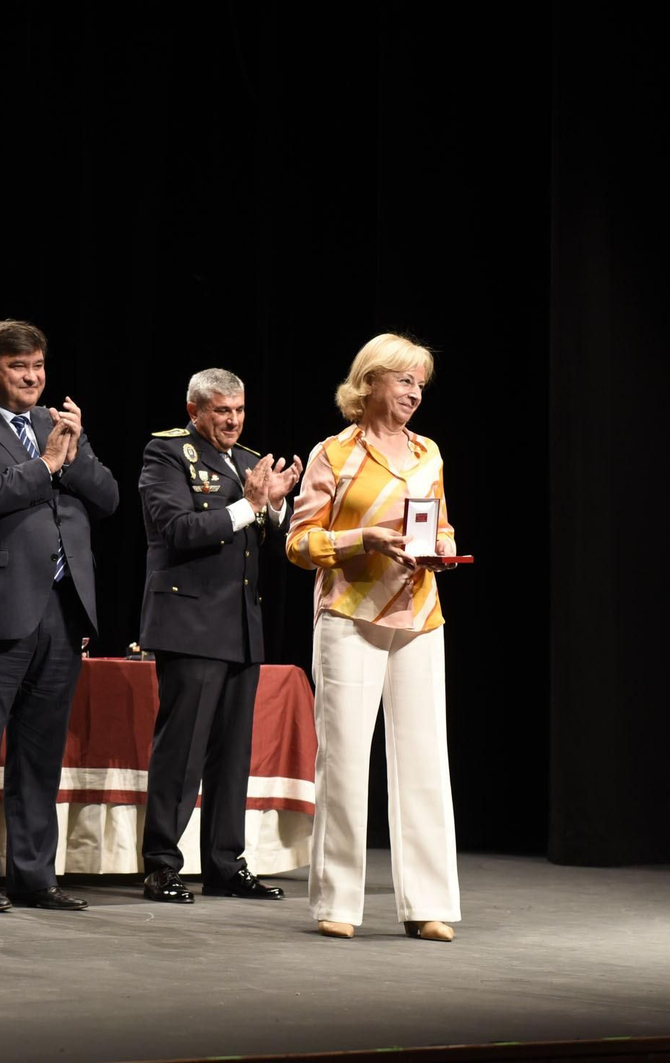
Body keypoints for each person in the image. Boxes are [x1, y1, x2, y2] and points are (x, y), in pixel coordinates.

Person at [0, 320, 119, 913]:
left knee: (40, 754)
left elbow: (107, 498)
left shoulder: (54, 427)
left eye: (38, 366)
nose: (33, 377)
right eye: (18, 367)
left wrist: (72, 450)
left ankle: (35, 876)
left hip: (60, 609)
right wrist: (48, 466)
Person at [284, 333, 460, 942]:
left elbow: (438, 521)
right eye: (404, 380)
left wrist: (441, 546)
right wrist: (362, 540)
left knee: (423, 761)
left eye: (419, 383)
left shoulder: (428, 452)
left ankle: (428, 904)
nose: (414, 393)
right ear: (370, 383)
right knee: (344, 760)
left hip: (418, 616)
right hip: (350, 615)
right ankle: (338, 902)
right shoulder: (334, 453)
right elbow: (300, 542)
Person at [137, 369, 301, 904]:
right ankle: (162, 865)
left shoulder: (251, 461)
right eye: (221, 411)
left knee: (233, 755)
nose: (232, 421)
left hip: (239, 626)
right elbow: (177, 529)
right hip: (190, 623)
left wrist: (276, 506)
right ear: (195, 410)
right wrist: (250, 506)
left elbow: (272, 546)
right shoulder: (167, 455)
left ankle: (226, 865)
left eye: (239, 411)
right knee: (181, 752)